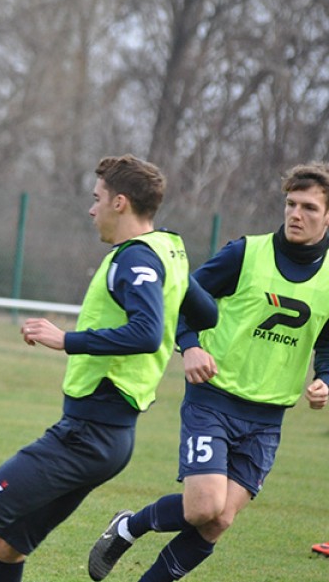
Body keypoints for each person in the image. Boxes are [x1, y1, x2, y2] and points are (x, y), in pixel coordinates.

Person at [0, 155, 217, 582]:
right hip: (112, 438)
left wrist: (66, 340)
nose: (91, 209)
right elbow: (206, 312)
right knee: (7, 545)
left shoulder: (134, 260)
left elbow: (145, 333)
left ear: (120, 202)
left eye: (97, 198)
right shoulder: (169, 250)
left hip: (87, 435)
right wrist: (181, 331)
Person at [87, 162, 329, 582]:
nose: (295, 214)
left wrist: (325, 377)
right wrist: (192, 345)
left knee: (218, 521)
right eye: (291, 204)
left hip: (268, 416)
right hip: (213, 397)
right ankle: (129, 527)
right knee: (203, 507)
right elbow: (178, 297)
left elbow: (326, 341)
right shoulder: (245, 254)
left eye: (309, 208)